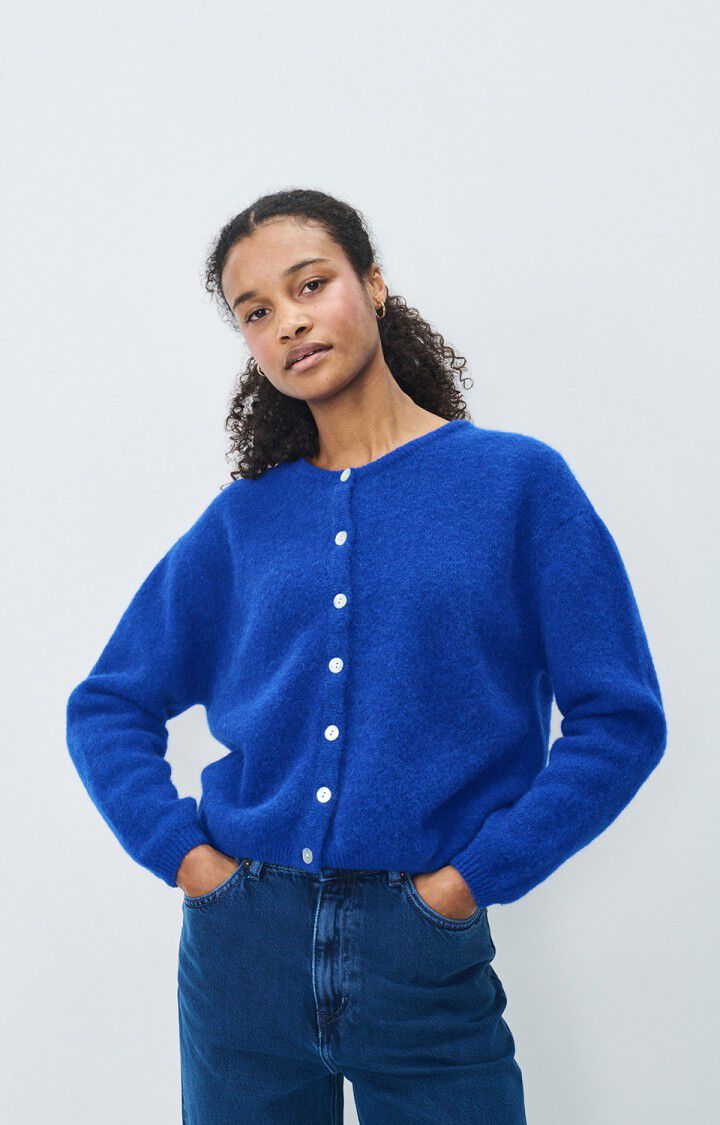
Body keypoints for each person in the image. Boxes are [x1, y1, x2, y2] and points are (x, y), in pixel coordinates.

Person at [65, 188, 667, 1123]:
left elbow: (620, 719)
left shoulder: (518, 484)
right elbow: (108, 703)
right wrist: (188, 860)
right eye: (255, 311)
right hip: (241, 951)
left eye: (310, 285)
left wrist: (470, 881)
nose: (288, 321)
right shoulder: (243, 522)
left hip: (422, 950)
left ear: (374, 283)